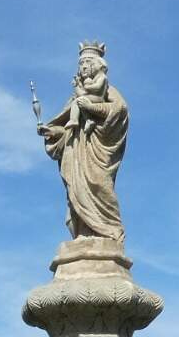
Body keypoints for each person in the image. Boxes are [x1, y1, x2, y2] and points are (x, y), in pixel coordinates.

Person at [38, 41, 128, 240]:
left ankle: (110, 232)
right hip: (77, 154)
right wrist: (50, 131)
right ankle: (83, 235)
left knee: (99, 184)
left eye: (88, 62)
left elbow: (119, 111)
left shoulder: (107, 89)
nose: (84, 67)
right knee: (75, 200)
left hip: (97, 153)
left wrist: (91, 107)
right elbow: (67, 129)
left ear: (97, 65)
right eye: (81, 63)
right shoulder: (76, 98)